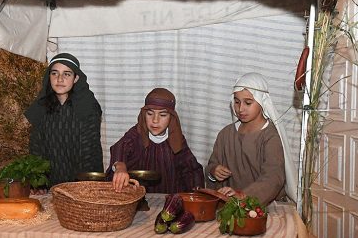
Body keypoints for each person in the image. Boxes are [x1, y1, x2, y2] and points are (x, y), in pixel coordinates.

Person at [205, 72, 298, 206]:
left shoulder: (270, 136)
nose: (240, 108)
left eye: (248, 103)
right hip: (230, 205)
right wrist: (214, 171)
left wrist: (243, 196)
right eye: (237, 102)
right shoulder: (225, 134)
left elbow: (273, 178)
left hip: (264, 206)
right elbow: (212, 166)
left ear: (262, 102)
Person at [25, 53, 103, 187]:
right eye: (55, 73)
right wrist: (38, 182)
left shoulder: (87, 106)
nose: (59, 79)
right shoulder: (41, 107)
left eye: (66, 74)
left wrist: (84, 187)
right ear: (49, 77)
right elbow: (36, 148)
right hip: (49, 185)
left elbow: (90, 151)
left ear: (76, 78)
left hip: (82, 185)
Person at [107, 87, 204, 193]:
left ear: (171, 117)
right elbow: (120, 147)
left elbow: (191, 170)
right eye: (150, 114)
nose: (155, 120)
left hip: (170, 198)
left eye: (162, 115)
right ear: (144, 115)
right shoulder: (137, 134)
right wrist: (120, 166)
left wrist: (196, 192)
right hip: (138, 198)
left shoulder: (176, 139)